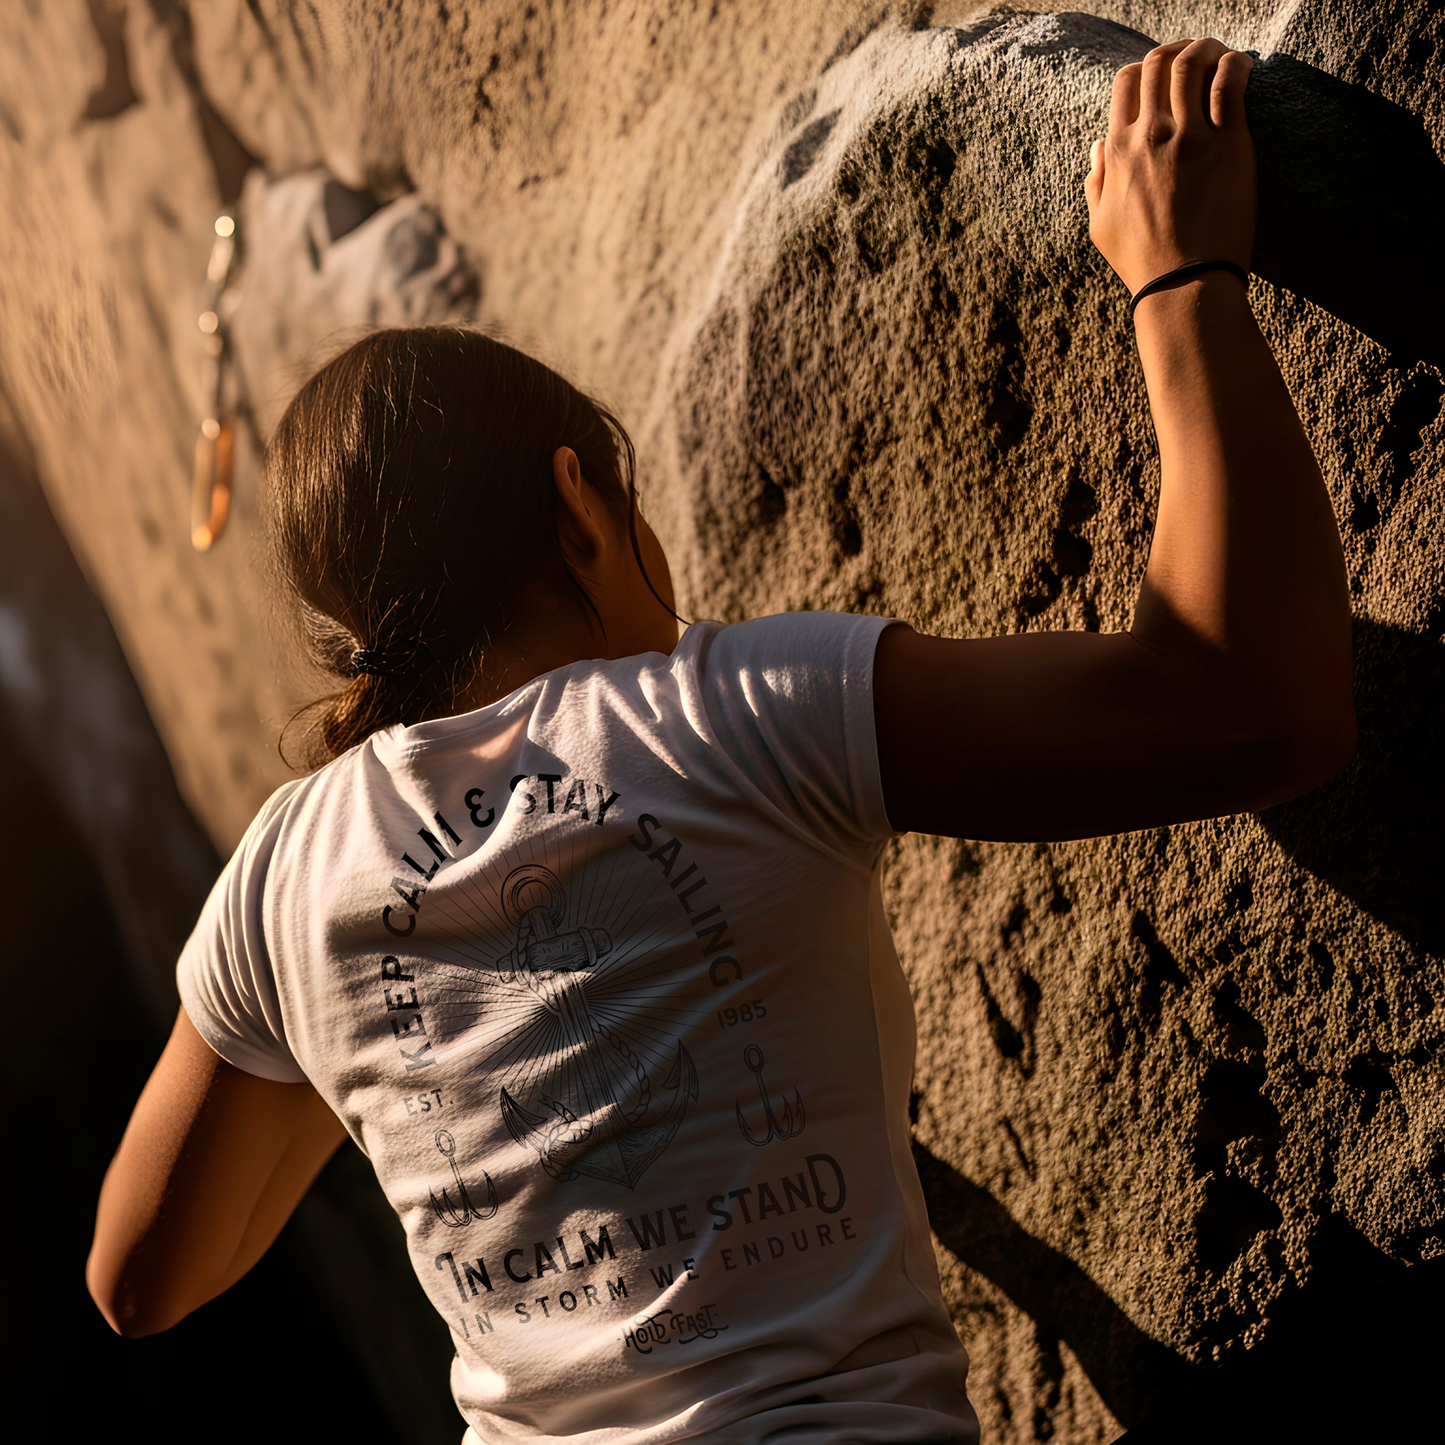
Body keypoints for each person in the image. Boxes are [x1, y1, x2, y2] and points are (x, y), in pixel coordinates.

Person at [88, 37, 1356, 1445]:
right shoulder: (735, 715)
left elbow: (141, 1280)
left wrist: (416, 1055)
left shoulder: (284, 879)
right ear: (581, 510)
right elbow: (1253, 710)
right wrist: (1181, 280)